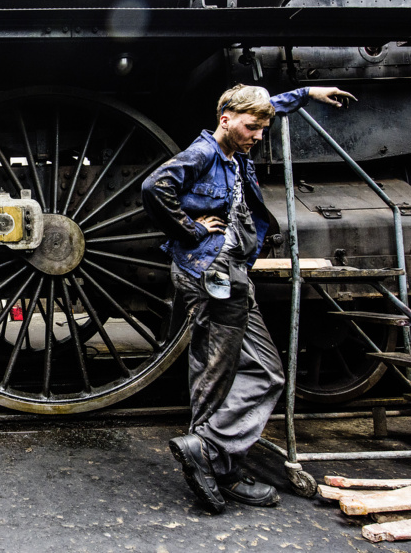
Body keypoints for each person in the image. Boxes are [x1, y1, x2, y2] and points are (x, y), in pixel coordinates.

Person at [140, 84, 357, 514]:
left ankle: (210, 457)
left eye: (261, 128)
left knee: (215, 370)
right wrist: (193, 228)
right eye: (252, 128)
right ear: (225, 119)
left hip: (225, 272)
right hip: (213, 272)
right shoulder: (203, 153)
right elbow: (154, 187)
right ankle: (211, 452)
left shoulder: (235, 141)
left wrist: (307, 92)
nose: (258, 136)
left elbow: (263, 107)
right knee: (252, 373)